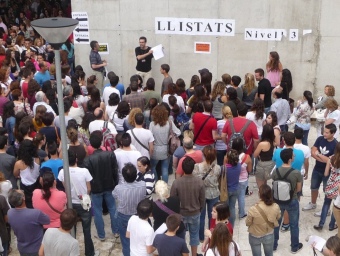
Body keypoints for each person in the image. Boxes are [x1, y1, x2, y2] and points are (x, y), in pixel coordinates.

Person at [83, 131, 119, 241]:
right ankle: (116, 231)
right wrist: (115, 183)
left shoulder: (88, 160)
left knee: (98, 211)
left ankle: (101, 235)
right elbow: (115, 171)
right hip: (109, 185)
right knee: (113, 208)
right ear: (101, 143)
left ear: (91, 145)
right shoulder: (110, 154)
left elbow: (88, 177)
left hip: (96, 188)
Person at [58, 150, 96, 256]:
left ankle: (71, 252)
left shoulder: (62, 172)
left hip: (71, 203)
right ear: (76, 159)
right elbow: (89, 188)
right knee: (87, 231)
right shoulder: (84, 171)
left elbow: (65, 187)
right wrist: (84, 196)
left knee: (70, 230)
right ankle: (90, 253)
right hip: (83, 204)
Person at [170, 156, 205, 256]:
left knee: (181, 235)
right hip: (195, 212)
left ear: (182, 168)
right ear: (193, 168)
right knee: (194, 235)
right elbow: (202, 199)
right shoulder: (199, 182)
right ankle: (194, 254)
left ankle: (183, 254)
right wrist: (199, 209)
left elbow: (173, 200)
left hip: (181, 214)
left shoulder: (176, 183)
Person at [272, 148, 303, 253]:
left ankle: (274, 245)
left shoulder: (276, 171)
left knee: (276, 223)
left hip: (277, 200)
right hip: (292, 200)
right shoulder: (296, 173)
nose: (294, 157)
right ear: (290, 159)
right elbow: (298, 189)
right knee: (294, 225)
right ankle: (294, 246)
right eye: (293, 156)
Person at [112, 163, 146, 256]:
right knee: (138, 240)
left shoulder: (119, 188)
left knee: (125, 241)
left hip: (123, 216)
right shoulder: (143, 185)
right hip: (138, 216)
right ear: (136, 175)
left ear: (123, 176)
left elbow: (114, 195)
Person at [303, 124, 338, 212]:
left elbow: (331, 160)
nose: (324, 134)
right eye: (324, 132)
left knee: (327, 191)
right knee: (313, 187)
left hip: (328, 172)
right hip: (317, 168)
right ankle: (313, 203)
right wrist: (325, 159)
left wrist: (318, 154)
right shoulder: (320, 139)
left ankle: (326, 209)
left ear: (333, 133)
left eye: (327, 132)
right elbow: (312, 152)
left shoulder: (336, 145)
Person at [8, 189, 50, 256]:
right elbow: (47, 220)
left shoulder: (10, 213)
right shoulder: (35, 213)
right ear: (23, 198)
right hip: (37, 249)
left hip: (22, 248)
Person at [193, 145, 221, 242]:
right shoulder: (218, 168)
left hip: (201, 194)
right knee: (212, 216)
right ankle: (211, 235)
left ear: (204, 155)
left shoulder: (197, 167)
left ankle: (200, 237)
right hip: (214, 193)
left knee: (201, 216)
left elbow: (195, 181)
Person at [246, 184, 281, 256]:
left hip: (255, 235)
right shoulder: (275, 206)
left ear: (260, 194)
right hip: (268, 234)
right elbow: (278, 217)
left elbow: (248, 223)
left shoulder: (253, 209)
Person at [149, 104, 180, 183]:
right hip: (166, 149)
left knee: (153, 168)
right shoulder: (169, 123)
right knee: (165, 169)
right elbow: (178, 132)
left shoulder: (152, 124)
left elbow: (150, 137)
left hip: (155, 149)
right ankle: (165, 186)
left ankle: (156, 185)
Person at [13, 140, 40, 208]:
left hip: (25, 187)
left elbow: (15, 174)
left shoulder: (19, 163)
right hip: (36, 184)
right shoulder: (37, 159)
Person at [232, 137, 253, 218]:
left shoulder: (228, 156)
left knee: (232, 199)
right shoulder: (247, 157)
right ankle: (241, 213)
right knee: (241, 197)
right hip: (243, 180)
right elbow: (250, 169)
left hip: (232, 180)